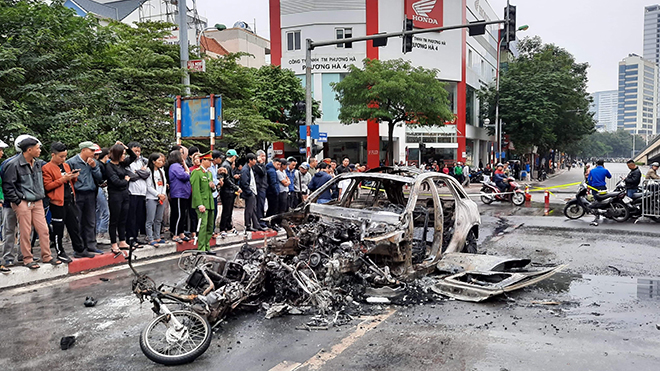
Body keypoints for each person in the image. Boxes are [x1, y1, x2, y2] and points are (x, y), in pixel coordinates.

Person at [2, 137, 61, 268]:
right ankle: (27, 259)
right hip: (22, 201)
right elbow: (8, 186)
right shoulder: (13, 164)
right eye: (38, 148)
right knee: (25, 231)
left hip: (37, 200)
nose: (39, 150)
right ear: (29, 150)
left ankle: (47, 256)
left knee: (43, 229)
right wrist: (18, 200)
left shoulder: (39, 163)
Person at [42, 142, 92, 262]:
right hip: (57, 202)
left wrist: (73, 177)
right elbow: (47, 186)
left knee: (74, 225)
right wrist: (62, 179)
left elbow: (70, 183)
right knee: (58, 228)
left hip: (70, 199)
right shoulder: (47, 168)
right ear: (53, 155)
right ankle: (60, 252)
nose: (63, 159)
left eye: (65, 156)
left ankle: (79, 249)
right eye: (61, 156)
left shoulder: (66, 166)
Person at [67, 141, 104, 254]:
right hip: (78, 193)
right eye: (91, 150)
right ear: (83, 150)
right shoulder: (72, 162)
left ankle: (91, 245)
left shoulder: (94, 162)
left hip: (91, 193)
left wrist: (94, 167)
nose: (93, 153)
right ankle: (79, 247)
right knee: (78, 220)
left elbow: (99, 178)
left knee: (91, 220)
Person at [105, 143, 137, 254]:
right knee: (115, 219)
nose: (124, 156)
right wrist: (126, 180)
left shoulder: (122, 164)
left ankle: (122, 241)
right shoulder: (109, 166)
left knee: (123, 218)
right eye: (122, 154)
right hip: (115, 195)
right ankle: (114, 243)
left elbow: (133, 157)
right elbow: (116, 182)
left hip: (124, 194)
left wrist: (126, 147)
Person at [190, 152, 216, 251]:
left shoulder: (208, 173)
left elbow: (211, 190)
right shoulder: (197, 172)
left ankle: (207, 246)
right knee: (203, 226)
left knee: (210, 226)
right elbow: (196, 190)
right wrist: (199, 204)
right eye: (208, 160)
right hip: (202, 204)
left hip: (210, 203)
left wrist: (213, 187)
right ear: (203, 160)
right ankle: (201, 248)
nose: (210, 162)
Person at [126, 142, 150, 248]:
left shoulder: (142, 161)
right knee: (131, 217)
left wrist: (138, 172)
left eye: (139, 151)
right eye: (135, 151)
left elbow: (146, 174)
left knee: (139, 217)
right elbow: (131, 176)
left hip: (142, 193)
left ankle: (136, 237)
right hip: (132, 192)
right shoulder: (127, 162)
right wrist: (140, 172)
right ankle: (130, 238)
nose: (137, 153)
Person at [168, 150, 191, 243]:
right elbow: (185, 176)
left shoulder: (179, 166)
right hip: (178, 193)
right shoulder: (175, 166)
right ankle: (176, 233)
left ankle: (181, 232)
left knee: (183, 214)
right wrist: (187, 170)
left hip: (184, 194)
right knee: (178, 214)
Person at [145, 153, 167, 246]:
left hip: (161, 197)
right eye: (159, 160)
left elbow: (164, 183)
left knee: (158, 219)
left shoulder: (161, 171)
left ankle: (157, 236)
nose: (161, 162)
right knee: (150, 219)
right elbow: (148, 186)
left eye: (162, 161)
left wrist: (163, 194)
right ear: (153, 161)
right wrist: (158, 194)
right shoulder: (148, 171)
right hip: (151, 197)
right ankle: (150, 238)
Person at [239, 153, 263, 231]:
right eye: (254, 159)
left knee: (253, 209)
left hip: (252, 191)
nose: (255, 161)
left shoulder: (250, 168)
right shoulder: (245, 169)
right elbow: (244, 182)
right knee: (249, 210)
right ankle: (248, 225)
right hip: (249, 192)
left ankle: (256, 224)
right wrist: (249, 192)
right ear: (250, 160)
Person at [219, 149, 241, 232]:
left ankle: (228, 226)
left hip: (227, 190)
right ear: (234, 157)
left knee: (228, 210)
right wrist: (236, 187)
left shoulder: (226, 164)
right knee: (227, 210)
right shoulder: (227, 165)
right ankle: (223, 227)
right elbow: (227, 180)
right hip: (227, 191)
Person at [587, 160, 612, 226]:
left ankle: (596, 213)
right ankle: (605, 211)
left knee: (595, 199)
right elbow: (609, 176)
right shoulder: (605, 170)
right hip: (602, 187)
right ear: (603, 164)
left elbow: (589, 179)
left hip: (594, 187)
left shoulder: (592, 170)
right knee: (604, 200)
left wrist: (591, 185)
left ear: (596, 164)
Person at [95, 147, 111, 245]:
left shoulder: (98, 164)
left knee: (98, 211)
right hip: (100, 189)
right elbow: (100, 179)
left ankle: (97, 232)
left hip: (97, 189)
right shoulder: (101, 166)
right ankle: (101, 234)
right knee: (105, 212)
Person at [253, 150, 268, 229]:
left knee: (262, 205)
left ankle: (262, 220)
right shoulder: (257, 165)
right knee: (259, 205)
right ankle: (259, 221)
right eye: (262, 156)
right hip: (259, 187)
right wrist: (259, 163)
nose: (264, 158)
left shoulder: (263, 165)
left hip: (263, 186)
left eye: (264, 156)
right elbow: (261, 173)